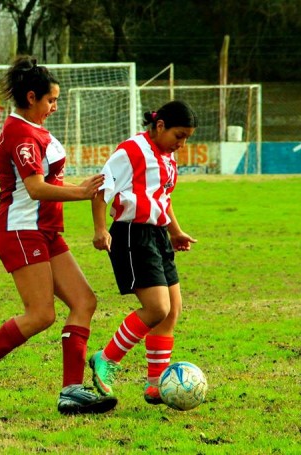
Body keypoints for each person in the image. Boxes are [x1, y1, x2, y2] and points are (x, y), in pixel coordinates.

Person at [0, 56, 117, 416]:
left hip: (46, 232)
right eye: (51, 100)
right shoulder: (21, 133)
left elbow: (49, 183)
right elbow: (36, 189)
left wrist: (82, 191)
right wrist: (82, 192)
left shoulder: (35, 129)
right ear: (31, 97)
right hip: (21, 231)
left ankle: (71, 391)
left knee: (84, 302)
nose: (54, 107)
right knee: (40, 314)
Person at [88, 100, 199, 406]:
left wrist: (175, 231)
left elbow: (163, 197)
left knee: (172, 310)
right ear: (160, 125)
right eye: (179, 135)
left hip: (158, 235)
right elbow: (101, 189)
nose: (182, 143)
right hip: (131, 234)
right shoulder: (132, 151)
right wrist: (100, 229)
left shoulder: (167, 157)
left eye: (187, 137)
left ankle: (156, 384)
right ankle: (105, 359)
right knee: (157, 309)